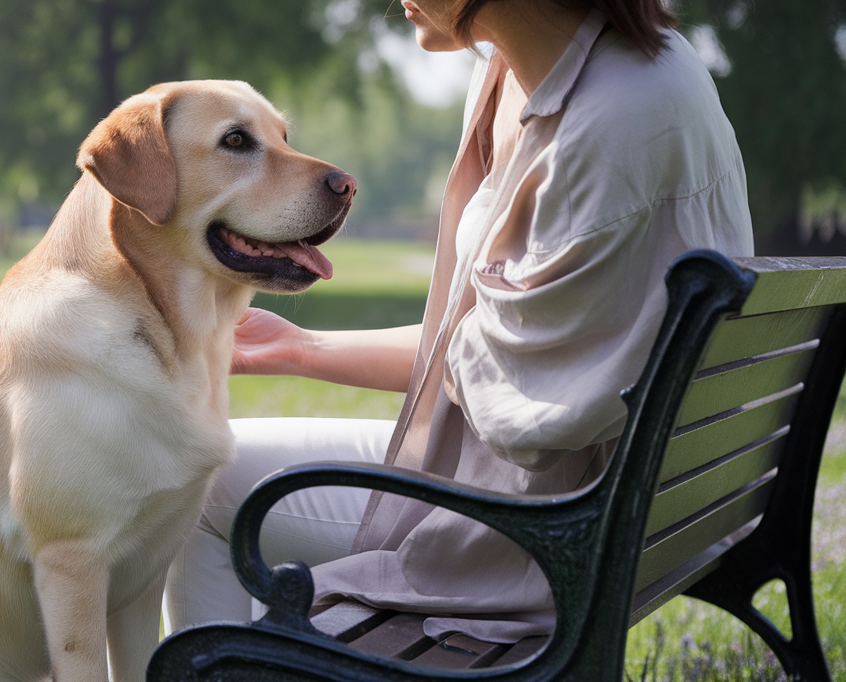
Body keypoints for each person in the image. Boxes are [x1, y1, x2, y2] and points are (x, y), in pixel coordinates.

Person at [165, 0, 753, 643]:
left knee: (190, 479)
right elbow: (517, 346)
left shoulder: (618, 119)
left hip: (545, 528)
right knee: (202, 462)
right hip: (592, 496)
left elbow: (525, 412)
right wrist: (303, 348)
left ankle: (246, 678)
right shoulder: (538, 70)